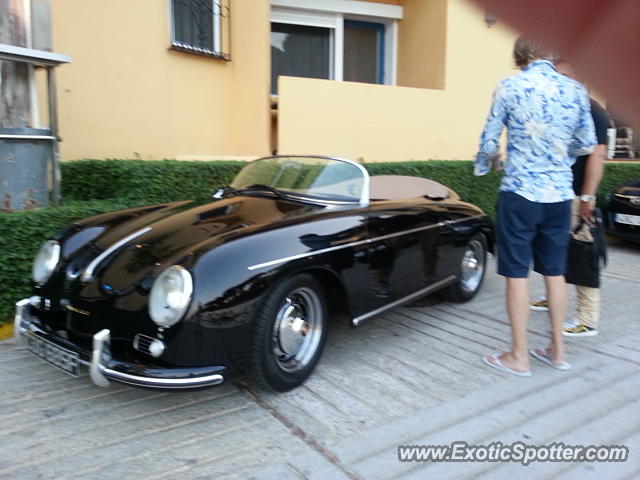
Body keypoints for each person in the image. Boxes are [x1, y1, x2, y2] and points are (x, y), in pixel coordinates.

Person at [475, 36, 597, 376]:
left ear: (519, 56)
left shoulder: (509, 87)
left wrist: (491, 161)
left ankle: (519, 356)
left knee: (516, 273)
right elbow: (587, 143)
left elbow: (487, 142)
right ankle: (557, 351)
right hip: (559, 195)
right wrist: (558, 155)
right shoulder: (574, 90)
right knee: (555, 272)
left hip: (520, 193)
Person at [530, 59, 610, 337]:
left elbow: (597, 156)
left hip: (578, 195)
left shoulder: (594, 111)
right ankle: (553, 297)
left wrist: (588, 197)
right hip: (554, 191)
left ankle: (587, 318)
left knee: (583, 253)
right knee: (553, 247)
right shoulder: (558, 107)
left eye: (561, 75)